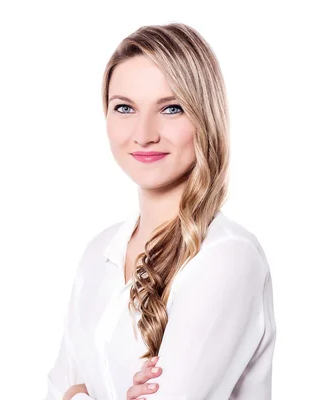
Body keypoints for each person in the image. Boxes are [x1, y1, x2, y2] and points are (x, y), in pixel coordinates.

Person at [43, 22, 277, 400]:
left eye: (171, 108)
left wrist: (81, 395)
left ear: (204, 116)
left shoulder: (228, 256)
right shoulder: (98, 254)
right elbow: (56, 389)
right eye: (124, 108)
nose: (144, 133)